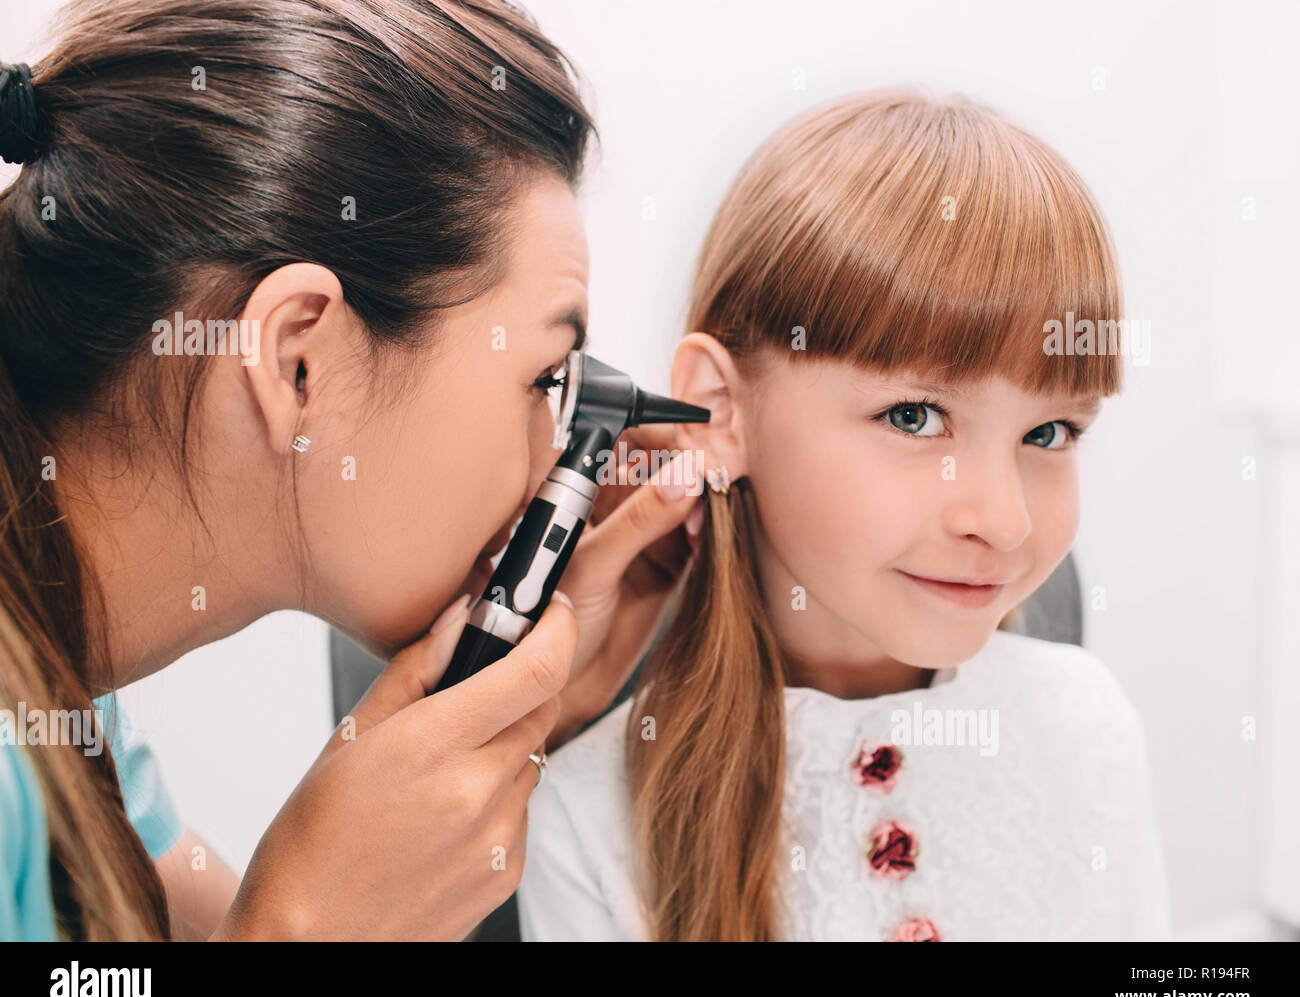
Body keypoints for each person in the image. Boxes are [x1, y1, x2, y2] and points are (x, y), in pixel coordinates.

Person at [0, 0, 704, 942]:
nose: (559, 461)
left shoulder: (77, 714)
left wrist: (513, 729)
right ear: (300, 360)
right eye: (543, 377)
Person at [517, 88, 1174, 942]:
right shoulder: (589, 814)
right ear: (722, 409)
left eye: (1050, 431)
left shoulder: (1087, 728)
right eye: (913, 416)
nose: (1004, 520)